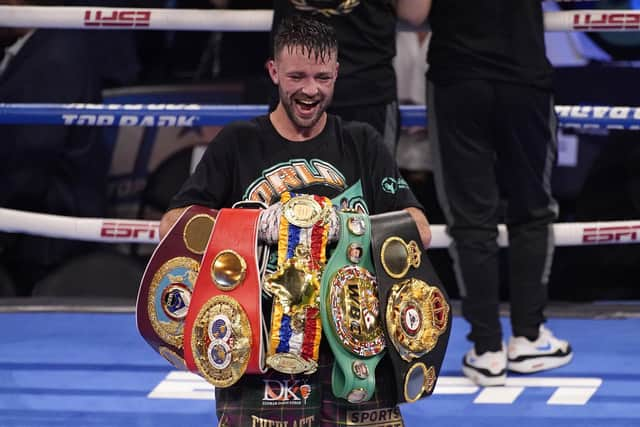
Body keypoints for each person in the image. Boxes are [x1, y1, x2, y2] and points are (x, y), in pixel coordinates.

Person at [160, 14, 430, 427]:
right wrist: (251, 227)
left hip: (353, 345)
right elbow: (174, 225)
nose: (310, 90)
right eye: (297, 76)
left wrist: (349, 229)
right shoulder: (238, 142)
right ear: (273, 72)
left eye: (323, 77)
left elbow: (418, 228)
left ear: (337, 73)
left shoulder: (361, 142)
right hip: (261, 346)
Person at [397, 0, 573, 386]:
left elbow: (413, 13)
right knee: (532, 211)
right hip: (522, 75)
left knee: (471, 217)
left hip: (458, 77)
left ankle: (488, 350)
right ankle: (527, 337)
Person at [0, 0, 110, 296]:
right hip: (36, 223)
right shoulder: (42, 45)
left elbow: (28, 163)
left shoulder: (54, 56)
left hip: (47, 236)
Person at [269, 0, 409, 158]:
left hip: (302, 82)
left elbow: (414, 14)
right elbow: (413, 14)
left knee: (289, 179)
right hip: (366, 83)